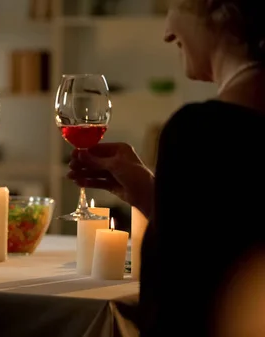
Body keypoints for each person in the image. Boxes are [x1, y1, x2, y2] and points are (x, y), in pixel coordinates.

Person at [67, 0, 265, 336]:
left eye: (174, 6)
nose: (166, 32)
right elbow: (225, 238)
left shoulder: (201, 131)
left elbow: (179, 298)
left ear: (222, 12)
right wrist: (151, 192)